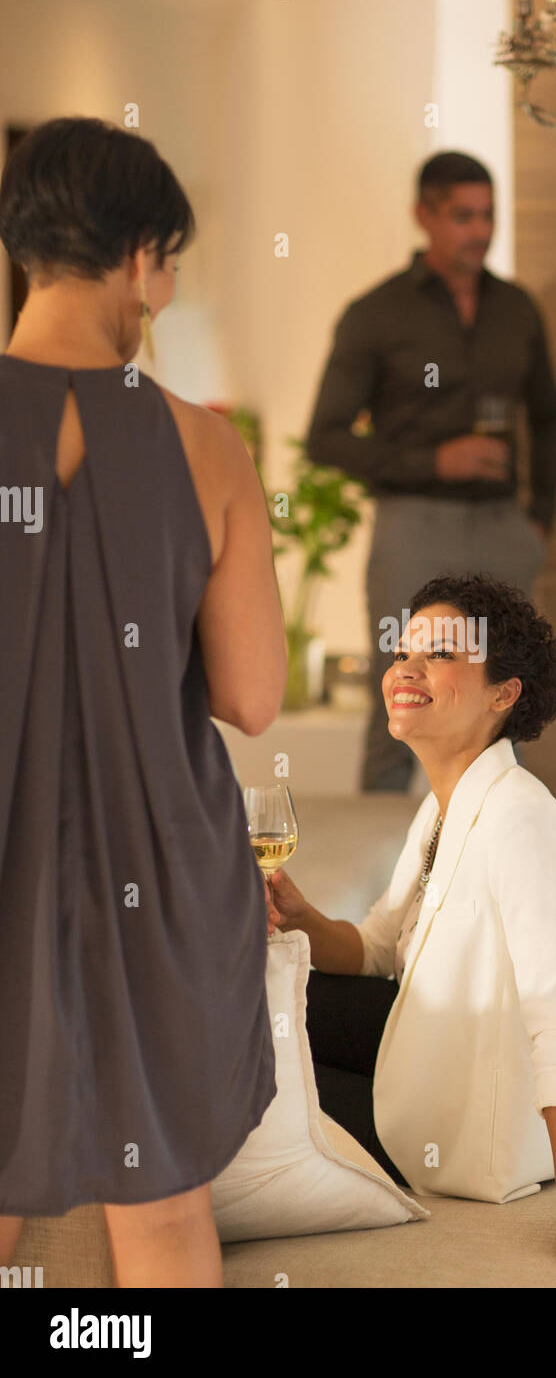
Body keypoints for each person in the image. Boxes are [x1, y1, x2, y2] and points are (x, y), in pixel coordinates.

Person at [0, 117, 287, 1285]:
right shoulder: (203, 449)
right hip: (157, 873)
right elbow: (253, 697)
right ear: (143, 257)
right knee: (162, 1206)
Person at [265, 574, 556, 1287]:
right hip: (446, 1045)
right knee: (260, 1003)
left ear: (502, 693)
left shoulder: (524, 822)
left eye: (441, 654)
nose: (406, 670)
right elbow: (382, 945)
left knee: (256, 1068)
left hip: (481, 1123)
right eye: (404, 651)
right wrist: (302, 919)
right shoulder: (445, 802)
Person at [306, 151, 556, 793]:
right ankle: (387, 889)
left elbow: (551, 417)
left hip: (504, 527)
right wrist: (433, 461)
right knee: (398, 699)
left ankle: (494, 873)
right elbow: (326, 436)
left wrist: (540, 520)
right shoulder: (375, 313)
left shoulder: (518, 309)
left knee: (505, 704)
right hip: (412, 526)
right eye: (463, 216)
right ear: (424, 216)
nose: (479, 230)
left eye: (488, 215)